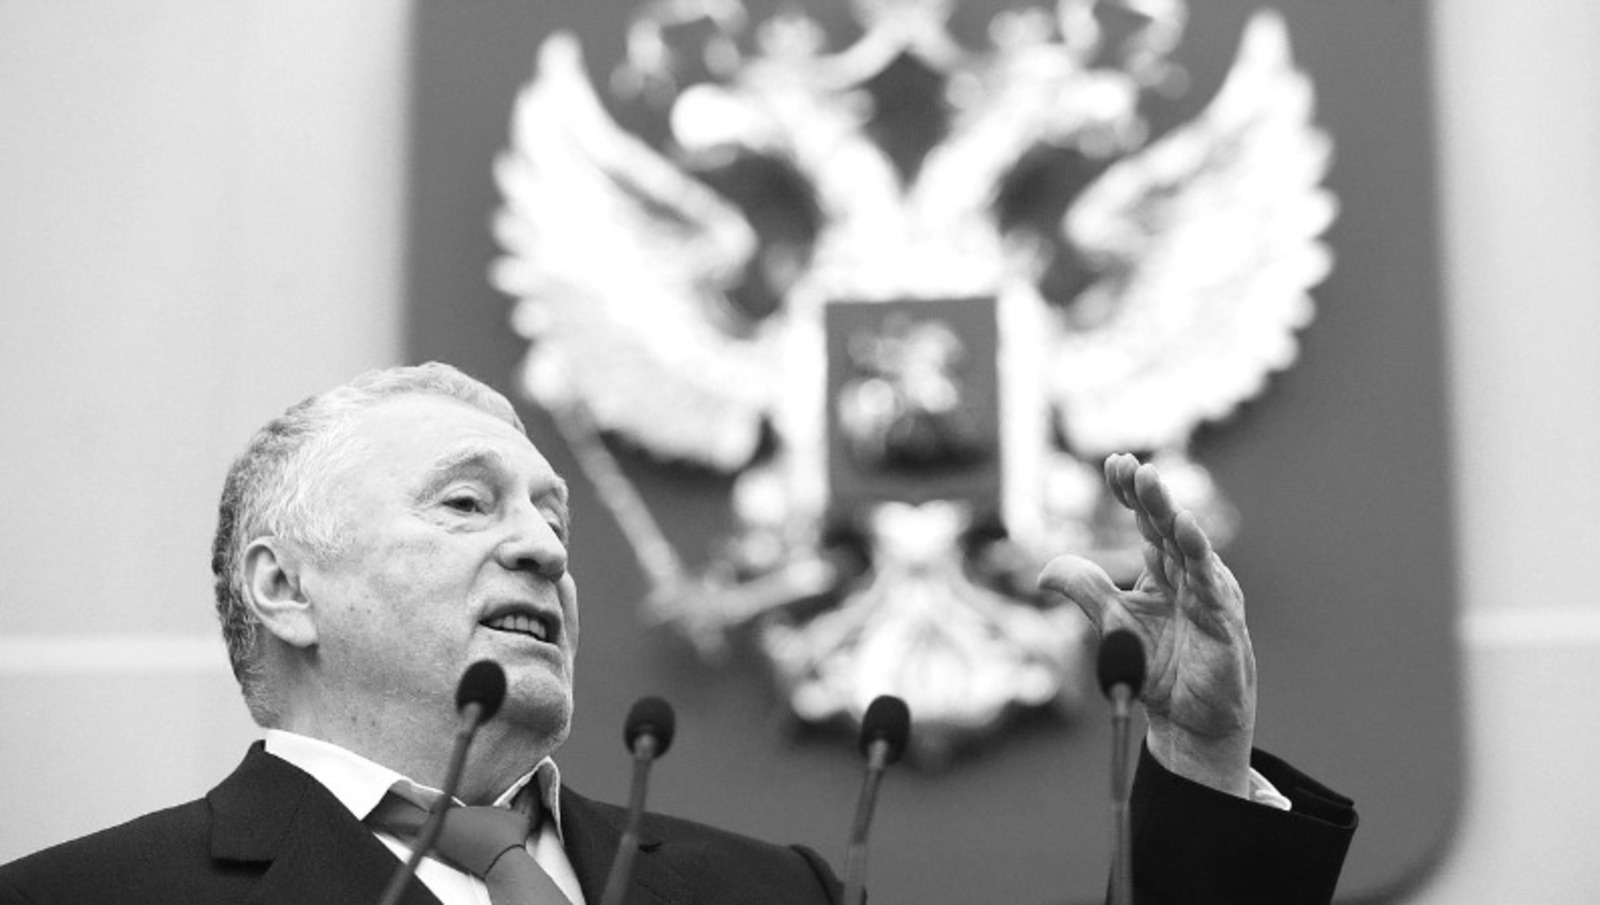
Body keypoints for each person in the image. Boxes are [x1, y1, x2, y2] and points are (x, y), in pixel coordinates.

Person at [0, 363, 1355, 905]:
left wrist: (1203, 770)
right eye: (466, 504)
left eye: (553, 517)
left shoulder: (768, 894)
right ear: (284, 588)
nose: (544, 547)